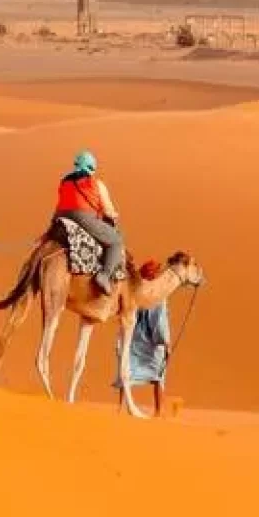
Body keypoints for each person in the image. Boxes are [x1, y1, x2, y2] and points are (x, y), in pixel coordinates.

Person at [55, 150, 124, 295]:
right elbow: (108, 210)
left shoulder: (64, 181)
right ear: (92, 168)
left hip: (60, 216)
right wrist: (114, 214)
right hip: (83, 216)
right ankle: (104, 276)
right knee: (116, 242)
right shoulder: (96, 184)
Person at [118, 274, 171, 402]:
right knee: (158, 375)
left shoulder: (134, 291)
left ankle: (120, 407)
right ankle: (158, 411)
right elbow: (159, 322)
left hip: (132, 339)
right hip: (151, 342)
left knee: (126, 371)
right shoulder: (158, 297)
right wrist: (166, 342)